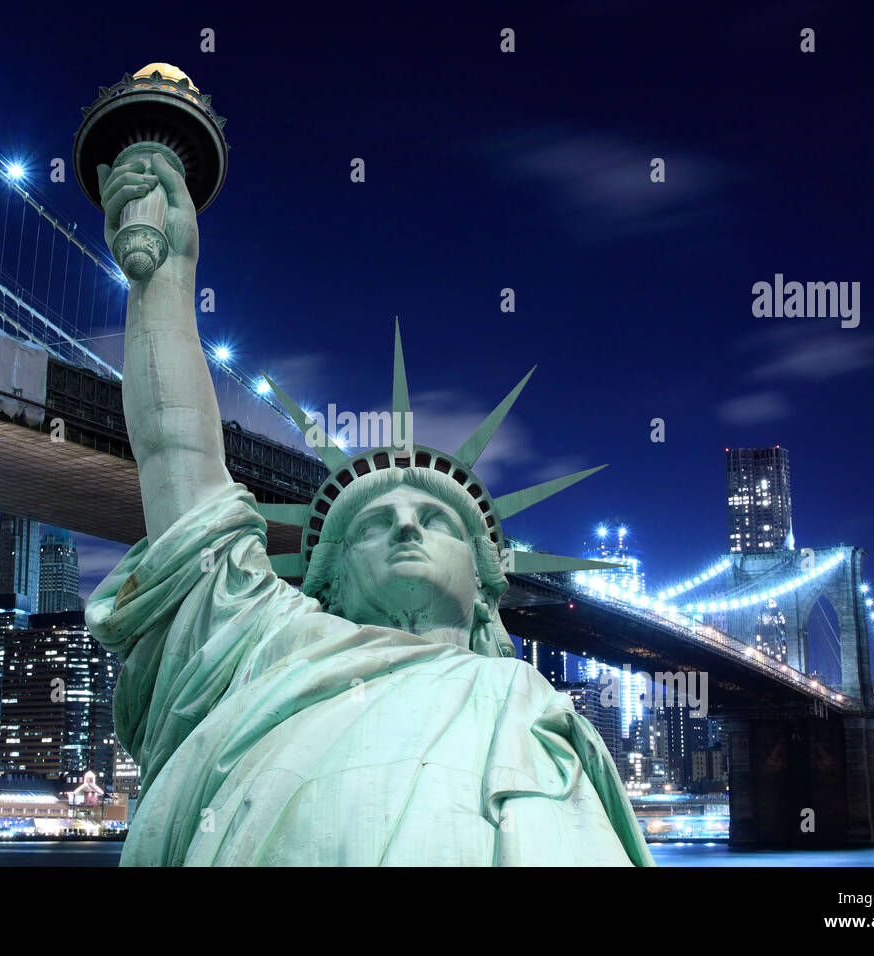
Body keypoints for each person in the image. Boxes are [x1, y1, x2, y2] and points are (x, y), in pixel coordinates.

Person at [85, 150, 654, 867]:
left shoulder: (525, 707)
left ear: (485, 592)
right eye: (374, 526)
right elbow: (177, 460)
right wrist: (166, 282)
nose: (408, 525)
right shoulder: (265, 650)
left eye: (436, 520)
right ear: (326, 585)